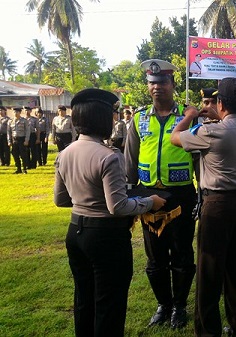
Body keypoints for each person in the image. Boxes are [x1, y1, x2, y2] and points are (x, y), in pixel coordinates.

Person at [53, 88, 166, 337]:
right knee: (109, 305)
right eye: (112, 115)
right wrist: (150, 203)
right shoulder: (108, 156)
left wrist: (86, 200)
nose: (115, 120)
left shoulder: (65, 154)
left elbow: (61, 200)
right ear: (102, 118)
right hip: (106, 237)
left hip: (76, 232)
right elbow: (118, 206)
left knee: (84, 299)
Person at [171, 77, 236, 337]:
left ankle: (208, 331)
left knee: (210, 271)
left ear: (220, 103)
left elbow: (175, 138)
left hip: (218, 205)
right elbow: (234, 126)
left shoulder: (210, 132)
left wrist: (190, 115)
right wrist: (219, 117)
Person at [124, 59, 197, 329]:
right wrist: (129, 192)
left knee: (181, 252)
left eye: (162, 82)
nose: (157, 87)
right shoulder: (139, 117)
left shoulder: (187, 117)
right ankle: (163, 304)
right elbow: (130, 158)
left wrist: (202, 191)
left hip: (181, 195)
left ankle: (179, 306)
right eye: (152, 83)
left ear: (172, 85)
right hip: (146, 195)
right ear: (147, 85)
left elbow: (199, 157)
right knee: (154, 256)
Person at [8, 107, 30, 174]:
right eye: (14, 112)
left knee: (23, 155)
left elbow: (27, 131)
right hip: (14, 140)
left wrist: (26, 140)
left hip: (22, 139)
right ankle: (18, 168)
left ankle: (24, 168)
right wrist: (9, 141)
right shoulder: (10, 121)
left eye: (17, 112)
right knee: (15, 154)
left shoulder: (24, 120)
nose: (15, 113)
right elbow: (9, 132)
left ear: (20, 112)